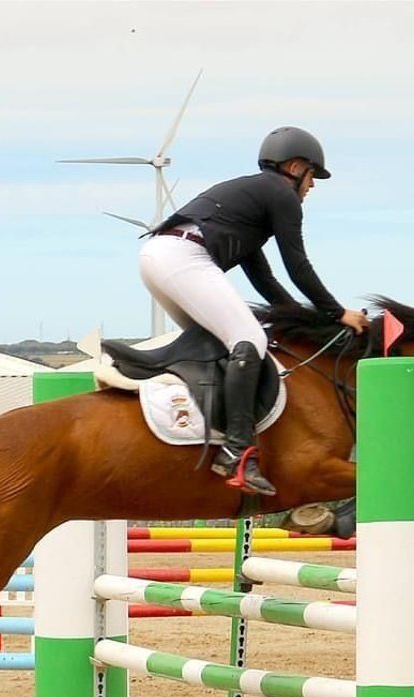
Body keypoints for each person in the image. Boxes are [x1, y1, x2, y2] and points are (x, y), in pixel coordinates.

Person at [138, 125, 368, 496]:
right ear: (295, 167)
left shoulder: (248, 207)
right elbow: (298, 266)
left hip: (159, 257)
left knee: (218, 346)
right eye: (312, 177)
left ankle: (198, 429)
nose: (312, 187)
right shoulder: (281, 195)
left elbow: (266, 280)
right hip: (184, 257)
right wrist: (337, 313)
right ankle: (236, 450)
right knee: (248, 338)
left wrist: (301, 320)